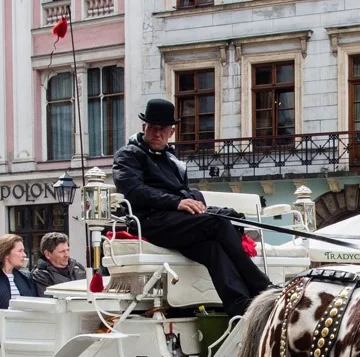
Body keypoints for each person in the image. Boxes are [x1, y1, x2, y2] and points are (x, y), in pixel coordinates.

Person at [112, 98, 270, 317]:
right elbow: (134, 190)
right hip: (151, 221)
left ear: (172, 132)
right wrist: (177, 202)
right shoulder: (129, 154)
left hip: (176, 222)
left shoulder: (170, 157)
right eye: (153, 128)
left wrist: (195, 203)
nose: (157, 134)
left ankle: (240, 305)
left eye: (162, 129)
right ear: (143, 127)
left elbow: (181, 190)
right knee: (219, 223)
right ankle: (262, 287)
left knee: (212, 248)